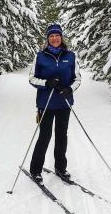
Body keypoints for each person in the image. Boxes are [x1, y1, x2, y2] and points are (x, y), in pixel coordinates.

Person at [28, 23, 81, 183]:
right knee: (44, 136)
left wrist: (69, 89)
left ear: (61, 37)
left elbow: (77, 79)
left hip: (64, 103)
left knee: (61, 136)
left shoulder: (71, 56)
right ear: (48, 39)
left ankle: (60, 168)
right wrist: (46, 83)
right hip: (46, 103)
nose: (54, 38)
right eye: (51, 36)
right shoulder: (40, 56)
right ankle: (35, 170)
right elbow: (31, 78)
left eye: (57, 35)